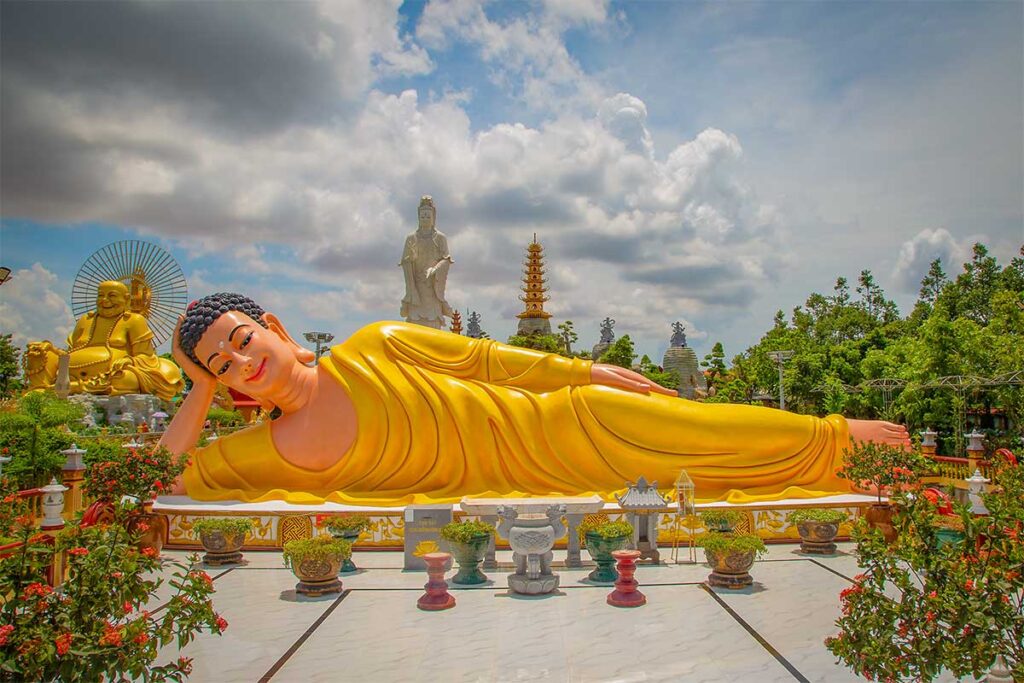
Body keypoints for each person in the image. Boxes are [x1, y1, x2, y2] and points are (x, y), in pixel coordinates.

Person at [162, 292, 910, 506]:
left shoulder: (375, 344)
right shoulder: (265, 451)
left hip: (558, 423)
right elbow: (163, 478)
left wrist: (584, 374)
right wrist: (193, 391)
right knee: (695, 457)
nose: (239, 361)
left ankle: (837, 438)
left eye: (240, 339)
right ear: (222, 384)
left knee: (693, 425)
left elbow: (491, 361)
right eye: (220, 363)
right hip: (535, 485)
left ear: (276, 329)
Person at [25, 280, 183, 399]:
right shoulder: (85, 320)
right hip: (72, 372)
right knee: (39, 353)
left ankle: (68, 388)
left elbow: (146, 356)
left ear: (126, 299)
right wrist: (48, 349)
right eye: (100, 295)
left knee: (124, 379)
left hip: (112, 374)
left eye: (112, 296)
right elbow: (70, 352)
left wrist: (129, 361)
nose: (105, 300)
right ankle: (40, 388)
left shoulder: (134, 320)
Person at [399, 196, 453, 329]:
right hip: (416, 288)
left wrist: (435, 269)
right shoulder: (411, 238)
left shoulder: (440, 238)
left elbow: (446, 259)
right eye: (422, 216)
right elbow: (405, 262)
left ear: (433, 216)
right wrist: (410, 260)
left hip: (432, 287)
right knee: (414, 325)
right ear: (418, 217)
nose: (425, 219)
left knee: (433, 323)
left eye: (428, 216)